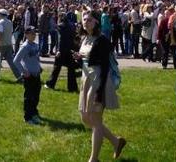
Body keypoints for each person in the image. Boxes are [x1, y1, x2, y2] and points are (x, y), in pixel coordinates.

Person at [74, 10, 126, 162]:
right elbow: (87, 59)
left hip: (98, 80)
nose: (86, 21)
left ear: (96, 21)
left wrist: (99, 92)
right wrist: (78, 58)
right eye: (84, 19)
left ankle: (93, 159)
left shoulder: (101, 40)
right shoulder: (85, 38)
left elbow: (104, 67)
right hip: (86, 79)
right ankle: (116, 142)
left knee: (95, 120)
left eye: (89, 19)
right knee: (85, 118)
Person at [14, 26, 43, 125]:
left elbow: (36, 58)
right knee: (29, 97)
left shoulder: (35, 45)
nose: (34, 35)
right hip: (29, 76)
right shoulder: (25, 47)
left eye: (35, 33)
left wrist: (39, 67)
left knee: (36, 96)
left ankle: (34, 113)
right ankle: (28, 117)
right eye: (31, 33)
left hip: (36, 74)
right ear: (26, 35)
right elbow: (16, 60)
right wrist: (24, 71)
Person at [45, 12, 78, 92]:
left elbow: (61, 39)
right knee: (71, 70)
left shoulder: (60, 26)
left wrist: (59, 50)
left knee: (56, 68)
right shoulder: (72, 25)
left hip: (62, 50)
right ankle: (72, 87)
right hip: (70, 49)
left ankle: (50, 84)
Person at [0, 9, 21, 81]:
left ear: (1, 15)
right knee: (11, 62)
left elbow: (0, 33)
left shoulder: (0, 22)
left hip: (1, 45)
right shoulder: (9, 22)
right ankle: (19, 76)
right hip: (9, 44)